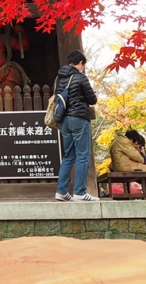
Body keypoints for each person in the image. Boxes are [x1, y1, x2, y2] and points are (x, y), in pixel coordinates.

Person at [53, 50, 98, 202]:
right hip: (78, 118)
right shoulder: (80, 77)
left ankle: (61, 191)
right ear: (80, 63)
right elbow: (92, 99)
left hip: (63, 120)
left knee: (69, 156)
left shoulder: (59, 78)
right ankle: (79, 192)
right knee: (83, 155)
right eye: (83, 65)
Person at [111, 129, 146, 199]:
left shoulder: (120, 140)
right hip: (124, 166)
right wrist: (143, 160)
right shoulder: (124, 142)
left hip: (122, 165)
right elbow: (136, 156)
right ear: (132, 138)